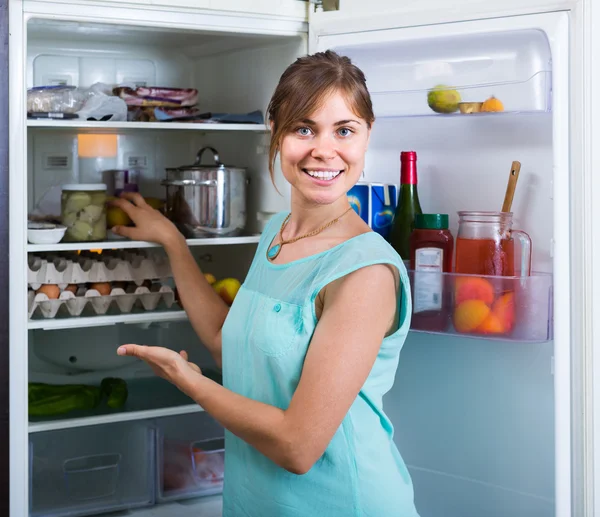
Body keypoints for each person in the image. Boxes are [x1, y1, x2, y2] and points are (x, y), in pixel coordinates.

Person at [113, 50, 419, 517]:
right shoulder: (278, 233)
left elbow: (298, 446)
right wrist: (174, 243)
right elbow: (226, 343)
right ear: (273, 132)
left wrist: (189, 383)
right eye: (303, 128)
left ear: (366, 137)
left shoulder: (365, 271)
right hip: (257, 502)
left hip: (342, 503)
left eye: (344, 130)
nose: (324, 149)